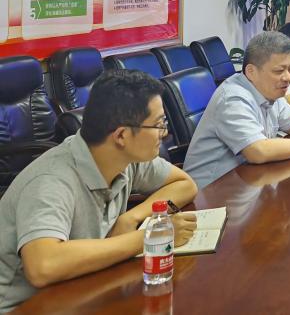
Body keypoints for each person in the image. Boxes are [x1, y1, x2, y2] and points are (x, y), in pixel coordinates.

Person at [0, 70, 199, 311]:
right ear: (121, 135)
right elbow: (43, 266)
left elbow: (184, 185)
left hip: (81, 288)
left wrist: (132, 217)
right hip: (24, 305)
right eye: (158, 125)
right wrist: (150, 237)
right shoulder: (51, 180)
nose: (164, 133)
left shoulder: (125, 158)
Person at [183, 31, 290, 189]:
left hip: (247, 182)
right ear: (251, 72)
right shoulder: (233, 98)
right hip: (212, 194)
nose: (288, 77)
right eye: (279, 71)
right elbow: (258, 151)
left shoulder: (269, 89)